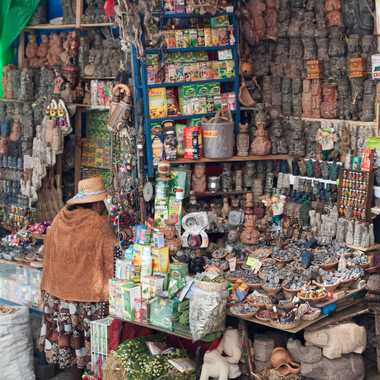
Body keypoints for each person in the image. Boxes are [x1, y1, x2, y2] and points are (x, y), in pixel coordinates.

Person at [39, 177, 116, 376]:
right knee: (90, 348)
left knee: (69, 346)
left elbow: (48, 252)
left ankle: (71, 371)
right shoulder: (98, 224)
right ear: (98, 203)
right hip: (86, 297)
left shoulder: (59, 219)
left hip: (57, 294)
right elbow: (111, 259)